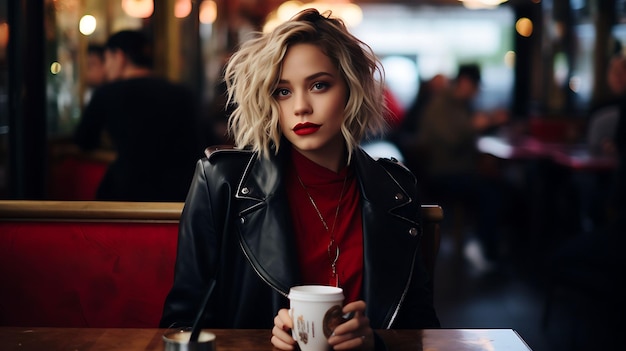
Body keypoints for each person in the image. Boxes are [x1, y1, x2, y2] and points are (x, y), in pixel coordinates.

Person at [159, 8, 440, 351]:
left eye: (319, 85)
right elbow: (182, 323)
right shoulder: (223, 181)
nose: (301, 107)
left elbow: (422, 328)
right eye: (282, 91)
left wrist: (374, 343)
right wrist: (262, 340)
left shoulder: (396, 189)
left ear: (351, 89)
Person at [74, 30, 202, 202]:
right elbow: (200, 144)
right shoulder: (182, 93)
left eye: (106, 59)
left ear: (119, 57)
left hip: (126, 196)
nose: (105, 67)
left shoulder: (107, 94)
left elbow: (84, 140)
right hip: (179, 197)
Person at [414, 64, 508, 264]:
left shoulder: (458, 105)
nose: (475, 94)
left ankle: (490, 246)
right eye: (475, 88)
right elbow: (452, 140)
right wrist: (474, 125)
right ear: (465, 83)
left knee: (499, 187)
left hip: (457, 170)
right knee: (492, 193)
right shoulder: (441, 105)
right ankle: (489, 251)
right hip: (443, 173)